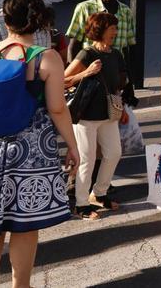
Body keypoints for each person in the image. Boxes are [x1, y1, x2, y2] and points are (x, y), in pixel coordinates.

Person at [0, 0, 78, 287]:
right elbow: (58, 109)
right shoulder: (45, 58)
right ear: (37, 21)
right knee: (24, 227)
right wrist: (73, 146)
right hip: (31, 150)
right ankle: (20, 285)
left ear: (4, 20)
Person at [63, 12, 127, 219]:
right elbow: (64, 80)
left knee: (114, 153)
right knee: (86, 160)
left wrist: (122, 108)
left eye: (115, 29)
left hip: (108, 114)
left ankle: (99, 193)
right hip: (85, 116)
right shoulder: (87, 54)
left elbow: (118, 84)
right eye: (111, 29)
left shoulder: (116, 54)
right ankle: (80, 204)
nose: (115, 32)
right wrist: (86, 72)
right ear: (100, 31)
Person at [66, 0, 136, 63]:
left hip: (115, 69)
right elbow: (74, 45)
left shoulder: (126, 12)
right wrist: (72, 72)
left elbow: (127, 48)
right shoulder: (84, 8)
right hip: (90, 68)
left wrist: (129, 74)